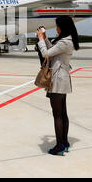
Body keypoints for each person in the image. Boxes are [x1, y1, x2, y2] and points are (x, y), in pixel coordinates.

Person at [36, 16, 79, 156]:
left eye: (57, 26)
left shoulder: (65, 41)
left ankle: (59, 145)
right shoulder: (66, 40)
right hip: (61, 78)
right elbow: (53, 51)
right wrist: (46, 38)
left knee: (57, 115)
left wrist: (41, 39)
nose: (56, 28)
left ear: (63, 27)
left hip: (58, 80)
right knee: (62, 113)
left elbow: (46, 53)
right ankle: (64, 141)